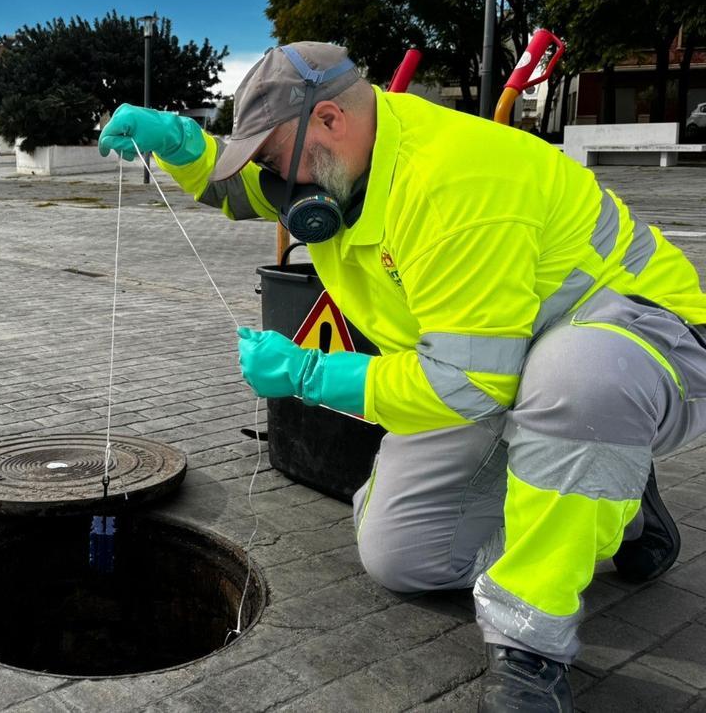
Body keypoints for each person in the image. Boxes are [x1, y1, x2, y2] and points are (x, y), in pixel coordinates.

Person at [98, 42, 706, 713]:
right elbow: (245, 184)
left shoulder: (456, 181)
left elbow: (464, 388)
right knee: (402, 554)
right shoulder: (335, 169)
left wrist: (308, 373)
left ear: (328, 119)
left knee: (578, 382)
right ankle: (613, 506)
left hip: (638, 340)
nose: (273, 181)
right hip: (493, 366)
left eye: (272, 156)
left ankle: (530, 645)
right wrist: (180, 142)